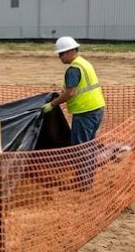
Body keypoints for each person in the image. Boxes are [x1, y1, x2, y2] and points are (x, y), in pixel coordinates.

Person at [42, 36, 106, 189]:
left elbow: (70, 93)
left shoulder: (73, 70)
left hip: (85, 112)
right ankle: (85, 179)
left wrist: (52, 104)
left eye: (61, 54)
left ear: (70, 51)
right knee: (88, 145)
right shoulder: (84, 63)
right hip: (96, 109)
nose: (60, 57)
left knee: (80, 147)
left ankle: (82, 182)